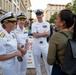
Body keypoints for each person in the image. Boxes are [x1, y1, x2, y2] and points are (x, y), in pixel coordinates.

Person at [47, 9, 75, 75]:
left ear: (63, 22)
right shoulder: (74, 35)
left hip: (60, 70)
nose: (55, 20)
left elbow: (50, 61)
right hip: (73, 69)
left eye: (57, 19)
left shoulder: (56, 36)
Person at [31, 9, 52, 75]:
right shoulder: (34, 24)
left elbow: (48, 34)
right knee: (37, 62)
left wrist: (39, 34)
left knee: (48, 61)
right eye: (37, 15)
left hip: (45, 45)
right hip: (36, 45)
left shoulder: (47, 23)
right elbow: (34, 35)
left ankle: (49, 73)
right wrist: (44, 34)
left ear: (42, 15)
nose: (38, 16)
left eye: (40, 14)